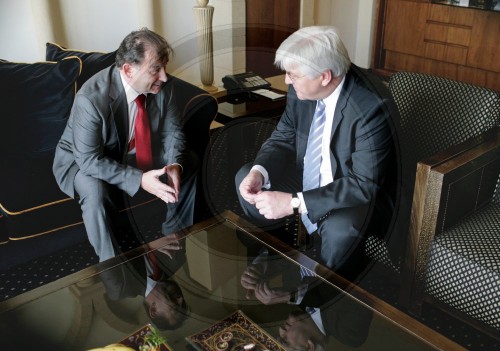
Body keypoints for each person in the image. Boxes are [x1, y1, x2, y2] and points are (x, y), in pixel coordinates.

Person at [236, 26, 398, 280]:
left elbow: (364, 184)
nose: (287, 80)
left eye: (293, 75)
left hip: (354, 193)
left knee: (341, 230)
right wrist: (260, 171)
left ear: (324, 76)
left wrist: (293, 202)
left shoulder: (372, 107)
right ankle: (281, 255)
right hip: (307, 175)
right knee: (245, 177)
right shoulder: (300, 87)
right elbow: (284, 136)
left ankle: (321, 297)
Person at [53, 28, 198, 261]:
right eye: (155, 69)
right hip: (87, 159)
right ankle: (113, 265)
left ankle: (175, 236)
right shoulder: (90, 100)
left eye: (164, 67)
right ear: (129, 70)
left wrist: (174, 165)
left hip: (132, 150)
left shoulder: (163, 87)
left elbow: (172, 133)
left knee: (187, 160)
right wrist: (139, 179)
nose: (164, 76)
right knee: (95, 192)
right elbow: (89, 160)